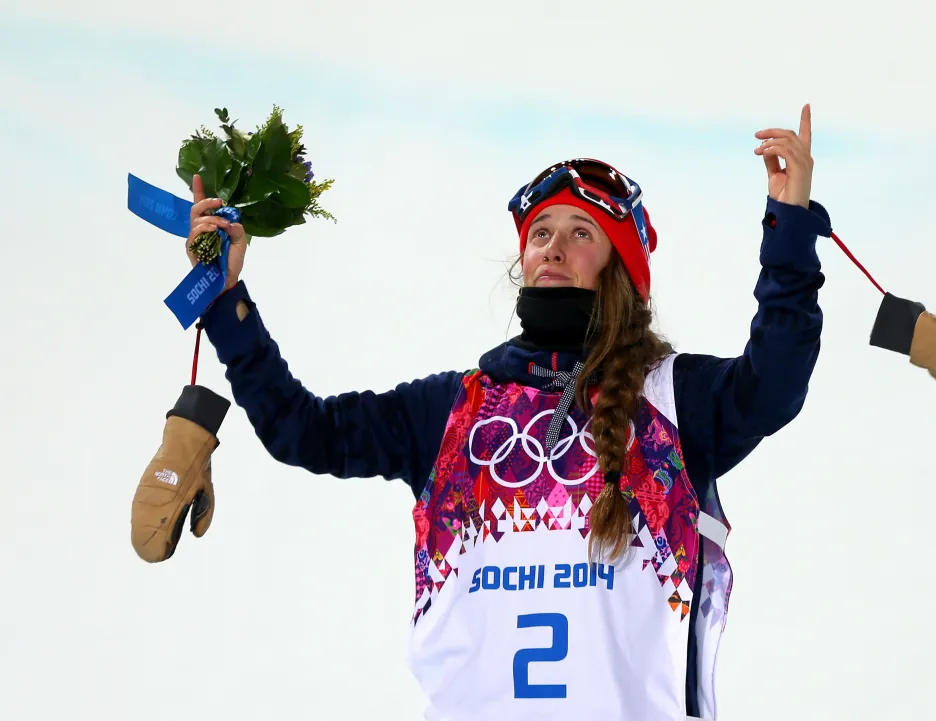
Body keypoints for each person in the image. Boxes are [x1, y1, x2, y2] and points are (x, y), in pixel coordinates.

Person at [187, 104, 833, 721]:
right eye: (541, 234)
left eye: (581, 234)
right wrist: (223, 302)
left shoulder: (670, 401)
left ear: (621, 274)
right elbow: (302, 429)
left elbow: (775, 378)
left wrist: (788, 225)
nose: (552, 248)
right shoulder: (452, 412)